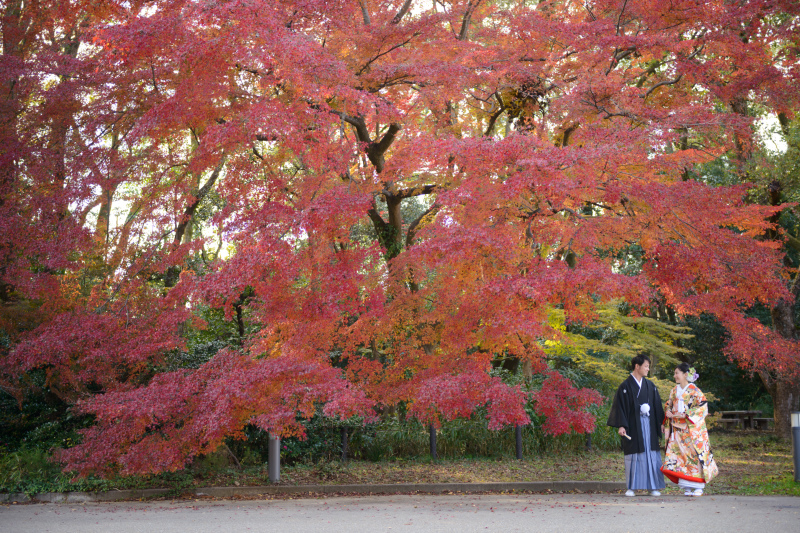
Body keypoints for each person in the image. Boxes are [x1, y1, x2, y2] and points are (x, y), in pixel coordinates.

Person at [607, 354, 666, 497]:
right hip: (633, 426)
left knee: (651, 455)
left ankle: (653, 487)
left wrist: (662, 423)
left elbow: (657, 406)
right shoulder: (625, 386)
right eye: (646, 366)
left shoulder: (650, 386)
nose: (647, 369)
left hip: (649, 425)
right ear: (637, 366)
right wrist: (622, 425)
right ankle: (632, 487)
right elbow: (620, 407)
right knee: (634, 456)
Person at [661, 362, 719, 496]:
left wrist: (687, 414)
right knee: (681, 456)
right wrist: (668, 412)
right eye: (675, 373)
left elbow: (703, 406)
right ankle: (687, 486)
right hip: (678, 430)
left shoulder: (695, 390)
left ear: (685, 374)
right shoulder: (674, 390)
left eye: (677, 373)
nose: (675, 375)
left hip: (692, 430)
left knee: (694, 456)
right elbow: (668, 404)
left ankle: (698, 486)